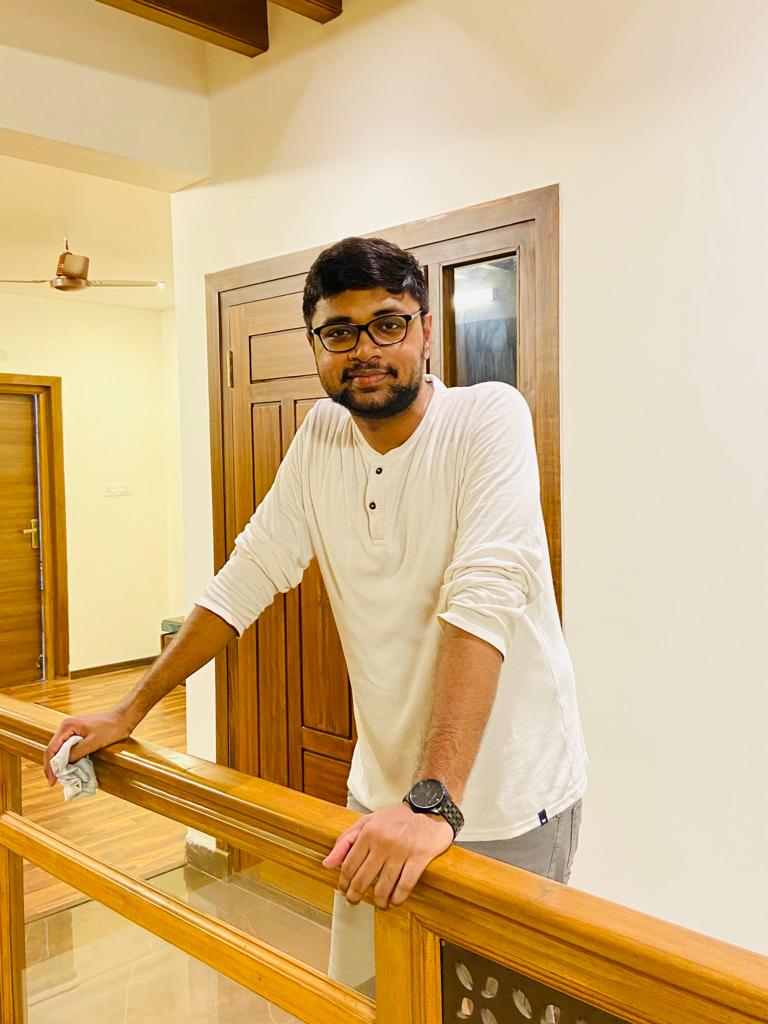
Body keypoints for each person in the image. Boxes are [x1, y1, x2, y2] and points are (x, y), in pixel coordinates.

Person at [45, 236, 587, 991]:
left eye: (388, 324)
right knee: (368, 999)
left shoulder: (487, 417)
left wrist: (433, 802)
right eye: (339, 332)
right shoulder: (321, 437)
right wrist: (130, 708)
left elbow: (484, 598)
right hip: (382, 798)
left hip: (504, 802)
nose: (366, 349)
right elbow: (248, 576)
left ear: (426, 330)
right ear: (316, 346)